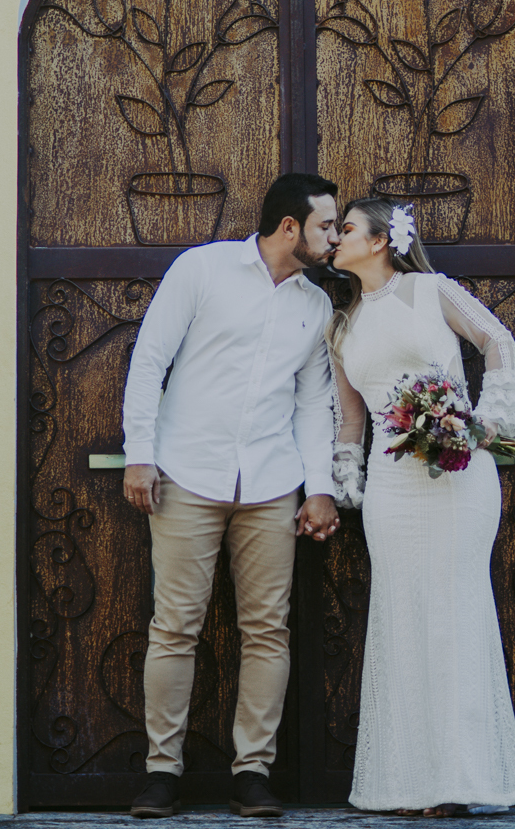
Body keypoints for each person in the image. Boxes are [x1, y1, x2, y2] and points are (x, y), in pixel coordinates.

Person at [122, 173, 343, 820]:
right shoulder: (202, 269)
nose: (335, 237)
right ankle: (162, 773)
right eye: (327, 226)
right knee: (174, 628)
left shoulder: (315, 305)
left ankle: (253, 772)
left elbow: (312, 405)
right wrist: (141, 452)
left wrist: (320, 489)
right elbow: (149, 358)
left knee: (267, 631)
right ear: (289, 228)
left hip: (272, 485)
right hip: (187, 474)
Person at [328, 198, 515, 816]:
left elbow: (494, 337)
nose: (337, 239)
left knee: (455, 613)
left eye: (346, 229)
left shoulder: (429, 289)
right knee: (402, 617)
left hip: (456, 475)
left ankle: (461, 780)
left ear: (380, 241)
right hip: (393, 490)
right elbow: (350, 416)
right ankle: (407, 781)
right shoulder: (341, 325)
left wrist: (488, 417)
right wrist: (346, 479)